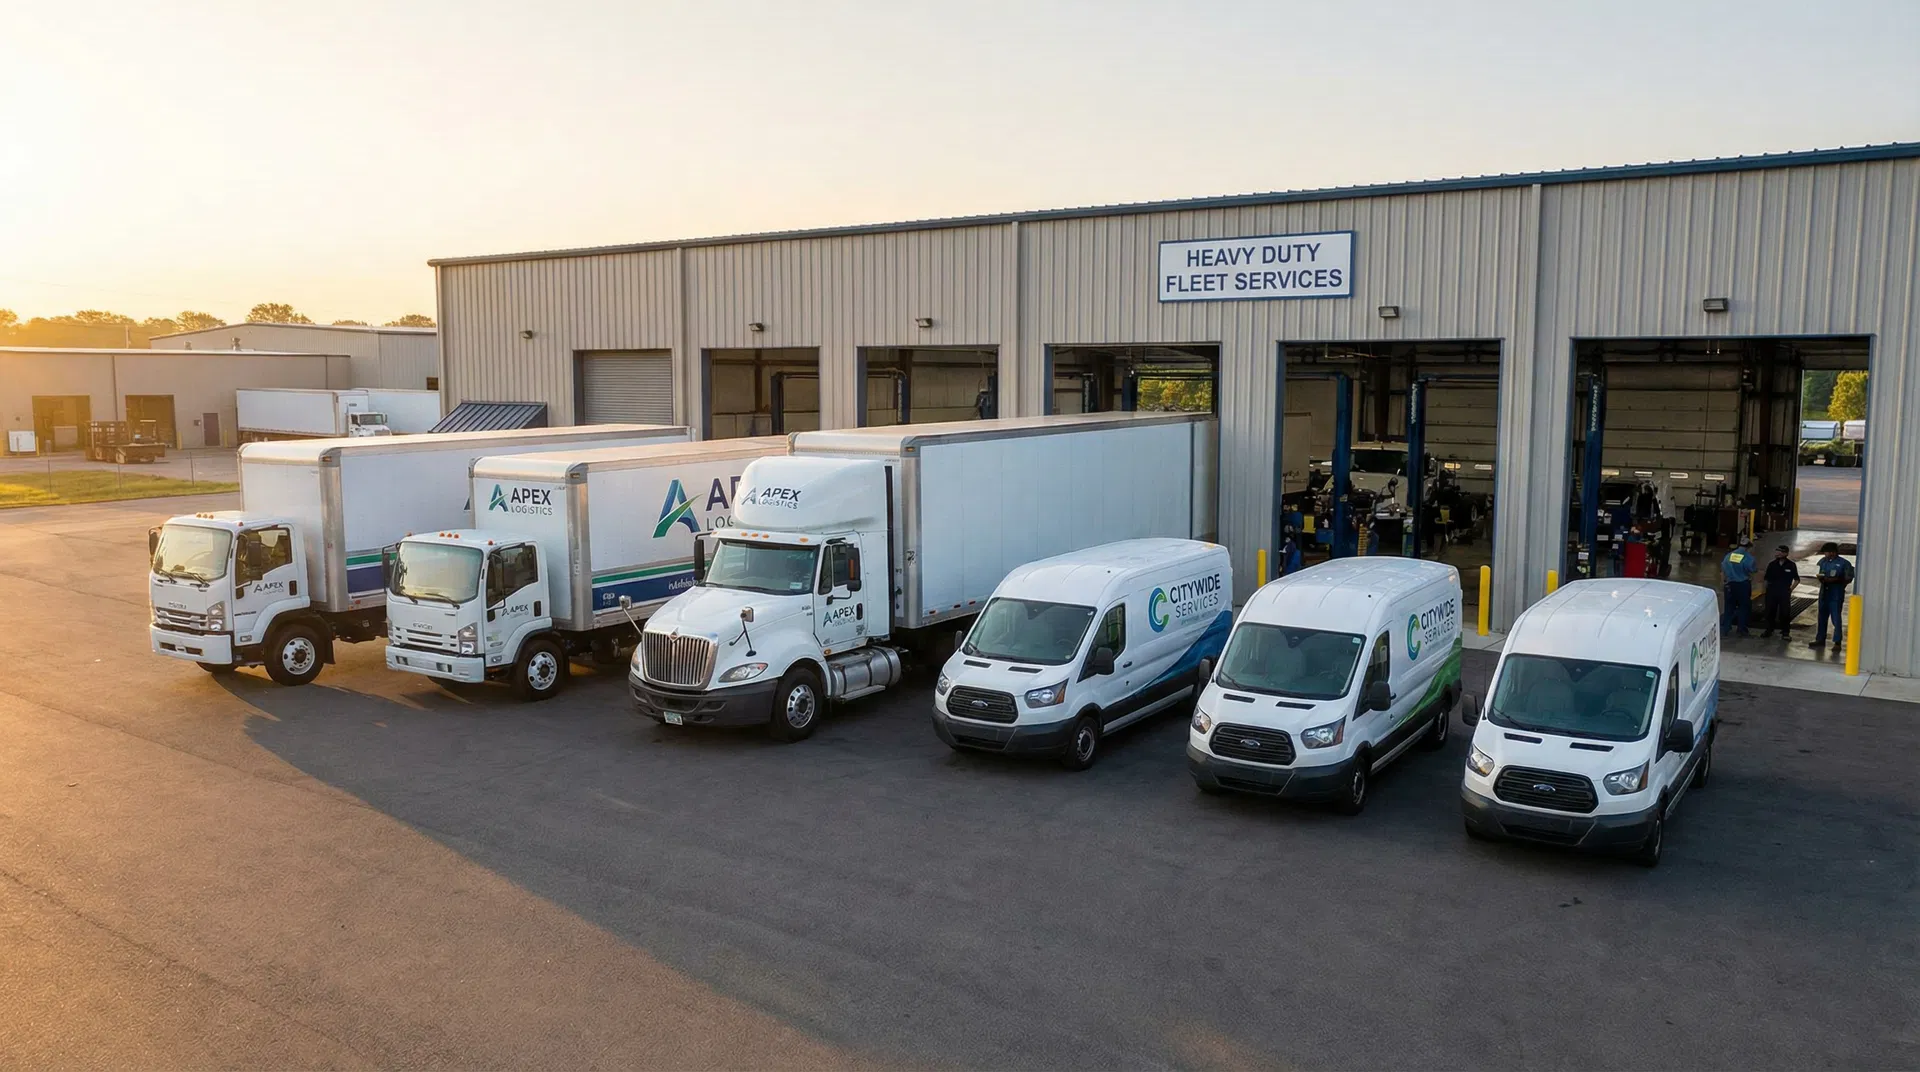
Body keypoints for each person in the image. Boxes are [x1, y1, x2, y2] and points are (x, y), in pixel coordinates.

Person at [1810, 542, 1855, 651]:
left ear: (1832, 552)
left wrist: (1837, 580)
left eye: (1826, 552)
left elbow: (1849, 578)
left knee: (1836, 618)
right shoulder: (1822, 562)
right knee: (1822, 617)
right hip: (1824, 592)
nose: (1825, 554)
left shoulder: (1844, 563)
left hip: (1836, 593)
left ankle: (1837, 642)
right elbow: (1818, 572)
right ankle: (1820, 639)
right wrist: (1821, 578)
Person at [1720, 536, 1757, 637]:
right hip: (1742, 585)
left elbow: (1723, 569)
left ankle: (1725, 629)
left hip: (1729, 585)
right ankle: (1742, 630)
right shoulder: (1748, 557)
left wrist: (1724, 583)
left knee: (1729, 607)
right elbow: (1752, 569)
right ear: (1749, 547)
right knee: (1743, 607)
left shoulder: (1729, 555)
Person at [1760, 544, 1799, 638]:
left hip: (1784, 592)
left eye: (1780, 551)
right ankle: (1769, 630)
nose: (1778, 553)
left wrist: (1790, 589)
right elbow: (1766, 579)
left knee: (1785, 612)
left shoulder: (1791, 565)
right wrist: (1765, 590)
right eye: (1777, 551)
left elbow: (1797, 579)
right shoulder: (1772, 564)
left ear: (1786, 553)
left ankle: (1785, 632)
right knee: (1770, 611)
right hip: (1772, 591)